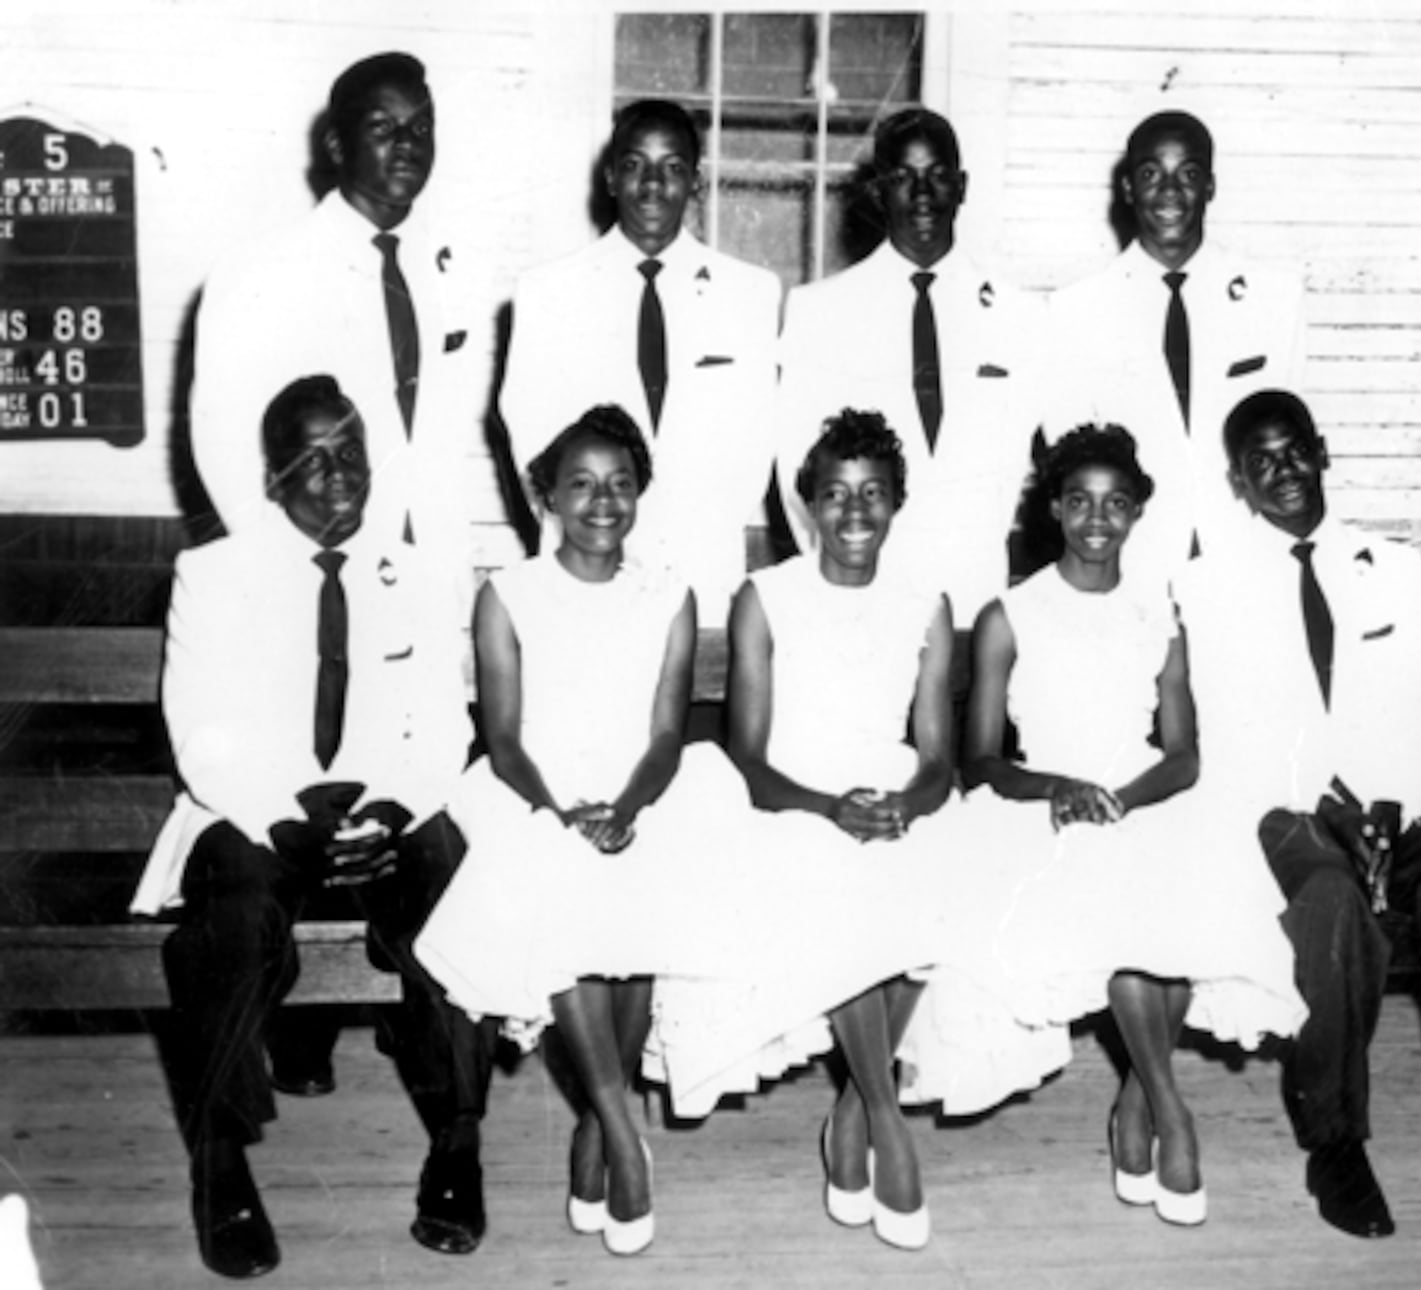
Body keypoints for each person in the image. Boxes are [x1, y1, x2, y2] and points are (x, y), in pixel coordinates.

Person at [131, 376, 496, 1278]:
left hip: (387, 805)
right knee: (231, 923)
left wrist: (397, 808)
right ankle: (220, 1166)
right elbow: (200, 732)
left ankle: (456, 1144)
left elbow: (444, 726)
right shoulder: (212, 574)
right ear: (272, 475)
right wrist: (284, 817)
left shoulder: (411, 569)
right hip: (258, 807)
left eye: (353, 455)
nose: (339, 478)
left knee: (458, 899)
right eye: (315, 458)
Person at [900, 423, 1303, 1227]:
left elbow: (1185, 754)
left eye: (1116, 504)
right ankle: (1168, 1110)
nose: (1096, 519)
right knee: (1123, 919)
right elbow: (981, 759)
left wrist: (1125, 796)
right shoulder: (1011, 613)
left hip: (1144, 795)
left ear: (1137, 514)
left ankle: (1131, 1104)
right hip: (1043, 804)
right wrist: (1060, 788)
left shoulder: (1161, 613)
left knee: (1181, 910)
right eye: (1079, 502)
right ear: (1053, 508)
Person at [1179, 388, 1421, 1238]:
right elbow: (1230, 723)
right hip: (1281, 804)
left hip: (1397, 794)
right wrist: (1331, 807)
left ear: (1322, 450)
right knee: (1330, 904)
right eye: (1259, 461)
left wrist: (1387, 798)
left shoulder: (1394, 568)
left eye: (1293, 449)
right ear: (1238, 481)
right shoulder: (1207, 584)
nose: (1282, 471)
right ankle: (1336, 1148)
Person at [416, 404, 698, 1257]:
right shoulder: (509, 594)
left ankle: (591, 1136)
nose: (601, 502)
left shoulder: (668, 595)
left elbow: (665, 735)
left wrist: (627, 807)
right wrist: (559, 813)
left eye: (619, 484)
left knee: (652, 881)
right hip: (529, 792)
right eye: (580, 484)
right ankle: (621, 1137)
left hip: (638, 789)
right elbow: (502, 737)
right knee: (563, 875)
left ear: (640, 493)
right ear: (547, 495)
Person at [714, 409, 957, 1250]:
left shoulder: (928, 606)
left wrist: (910, 806)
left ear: (898, 504)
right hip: (792, 798)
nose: (856, 513)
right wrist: (829, 808)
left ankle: (852, 1111)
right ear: (808, 505)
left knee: (937, 882)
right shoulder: (767, 598)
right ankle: (886, 1127)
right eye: (836, 495)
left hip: (890, 793)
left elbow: (935, 759)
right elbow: (746, 756)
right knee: (848, 894)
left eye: (874, 495)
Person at [189, 52, 486, 595]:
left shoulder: (453, 269)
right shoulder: (261, 269)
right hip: (313, 568)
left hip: (432, 577)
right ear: (336, 145)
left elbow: (437, 441)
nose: (407, 143)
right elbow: (221, 437)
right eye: (382, 126)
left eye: (421, 127)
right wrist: (286, 562)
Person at [499, 98, 781, 617]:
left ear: (695, 181)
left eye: (673, 168)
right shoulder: (548, 292)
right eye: (634, 165)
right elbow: (532, 440)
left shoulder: (750, 294)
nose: (653, 184)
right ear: (609, 177)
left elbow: (753, 449)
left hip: (699, 568)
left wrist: (684, 533)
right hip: (584, 560)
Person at [776, 108, 1048, 627]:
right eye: (902, 178)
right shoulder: (822, 311)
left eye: (938, 176)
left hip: (974, 600)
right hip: (860, 596)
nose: (922, 193)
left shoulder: (1020, 316)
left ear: (962, 186)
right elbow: (797, 474)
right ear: (878, 192)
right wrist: (834, 577)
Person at [1048, 110, 1307, 591]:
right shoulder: (1073, 312)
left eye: (1188, 174)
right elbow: (1074, 464)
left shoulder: (1274, 299)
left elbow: (1289, 445)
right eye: (1151, 174)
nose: (1169, 191)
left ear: (1210, 186)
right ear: (1127, 188)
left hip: (1248, 559)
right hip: (1133, 564)